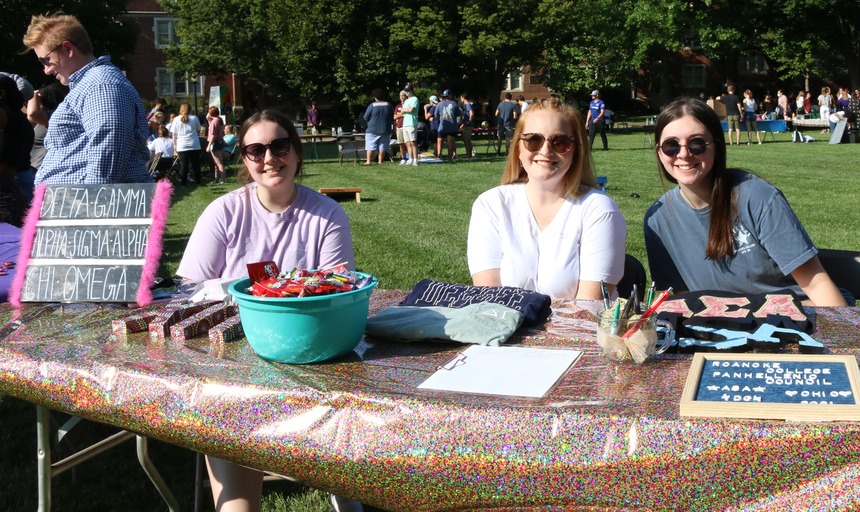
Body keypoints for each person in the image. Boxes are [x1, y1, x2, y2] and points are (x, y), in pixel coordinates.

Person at [177, 109, 356, 512]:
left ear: (295, 151)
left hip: (311, 353)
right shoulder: (223, 212)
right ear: (244, 159)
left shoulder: (327, 214)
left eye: (279, 146)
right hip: (231, 357)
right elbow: (188, 291)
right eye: (255, 150)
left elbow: (337, 294)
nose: (269, 158)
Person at [643, 97, 848, 306]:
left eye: (697, 144)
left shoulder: (758, 197)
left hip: (795, 321)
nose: (684, 154)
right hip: (721, 331)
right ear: (659, 152)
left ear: (717, 145)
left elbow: (818, 287)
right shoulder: (657, 220)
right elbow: (679, 300)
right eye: (671, 146)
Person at [467, 97, 626, 300]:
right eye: (534, 140)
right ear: (518, 149)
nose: (545, 150)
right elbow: (489, 298)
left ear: (576, 151)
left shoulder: (599, 210)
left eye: (560, 142)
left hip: (578, 330)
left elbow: (588, 308)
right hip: (506, 329)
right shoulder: (491, 205)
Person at [22, 14, 151, 185]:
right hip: (78, 205)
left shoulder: (101, 85)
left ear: (68, 49)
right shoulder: (91, 84)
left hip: (93, 207)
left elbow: (108, 151)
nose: (46, 70)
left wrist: (89, 204)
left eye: (46, 60)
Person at [169, 103, 203, 185]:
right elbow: (198, 130)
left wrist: (175, 146)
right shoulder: (194, 118)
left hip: (182, 145)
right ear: (190, 109)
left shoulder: (176, 119)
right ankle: (198, 181)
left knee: (184, 165)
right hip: (194, 144)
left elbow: (174, 134)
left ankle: (183, 183)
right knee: (196, 164)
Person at [362, 88, 394, 165]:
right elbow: (392, 116)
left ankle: (368, 161)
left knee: (370, 146)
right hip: (385, 129)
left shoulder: (372, 105)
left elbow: (365, 117)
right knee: (382, 146)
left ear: (375, 97)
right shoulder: (389, 105)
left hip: (372, 129)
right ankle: (380, 161)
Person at [434, 89, 462, 161]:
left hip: (442, 126)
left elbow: (436, 115)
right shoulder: (455, 104)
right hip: (452, 126)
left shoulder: (439, 104)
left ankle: (439, 155)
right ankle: (450, 157)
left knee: (439, 141)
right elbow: (459, 114)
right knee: (450, 142)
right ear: (450, 95)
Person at [401, 84, 420, 166]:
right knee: (407, 143)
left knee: (413, 142)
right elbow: (402, 111)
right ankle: (410, 158)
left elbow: (411, 109)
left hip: (412, 123)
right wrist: (405, 110)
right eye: (406, 91)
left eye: (408, 91)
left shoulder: (415, 99)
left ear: (411, 91)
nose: (406, 92)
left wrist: (405, 110)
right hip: (405, 123)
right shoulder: (406, 101)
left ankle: (415, 159)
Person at [207, 106, 227, 183]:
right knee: (216, 163)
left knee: (219, 163)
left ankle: (222, 179)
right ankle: (216, 178)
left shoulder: (214, 122)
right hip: (219, 142)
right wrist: (208, 119)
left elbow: (213, 134)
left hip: (215, 143)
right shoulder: (219, 120)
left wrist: (209, 145)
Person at [393, 90, 409, 164]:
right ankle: (403, 157)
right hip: (399, 126)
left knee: (408, 143)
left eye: (403, 95)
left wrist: (400, 114)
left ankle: (409, 157)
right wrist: (401, 115)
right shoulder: (398, 106)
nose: (402, 97)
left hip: (407, 125)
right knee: (401, 143)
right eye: (400, 96)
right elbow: (395, 116)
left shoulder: (409, 104)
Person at [460, 92, 475, 158]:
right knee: (468, 140)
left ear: (463, 98)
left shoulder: (468, 105)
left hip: (468, 126)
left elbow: (471, 114)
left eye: (461, 98)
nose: (460, 99)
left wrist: (468, 122)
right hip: (467, 125)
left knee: (466, 140)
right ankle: (469, 154)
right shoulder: (467, 105)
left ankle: (468, 154)